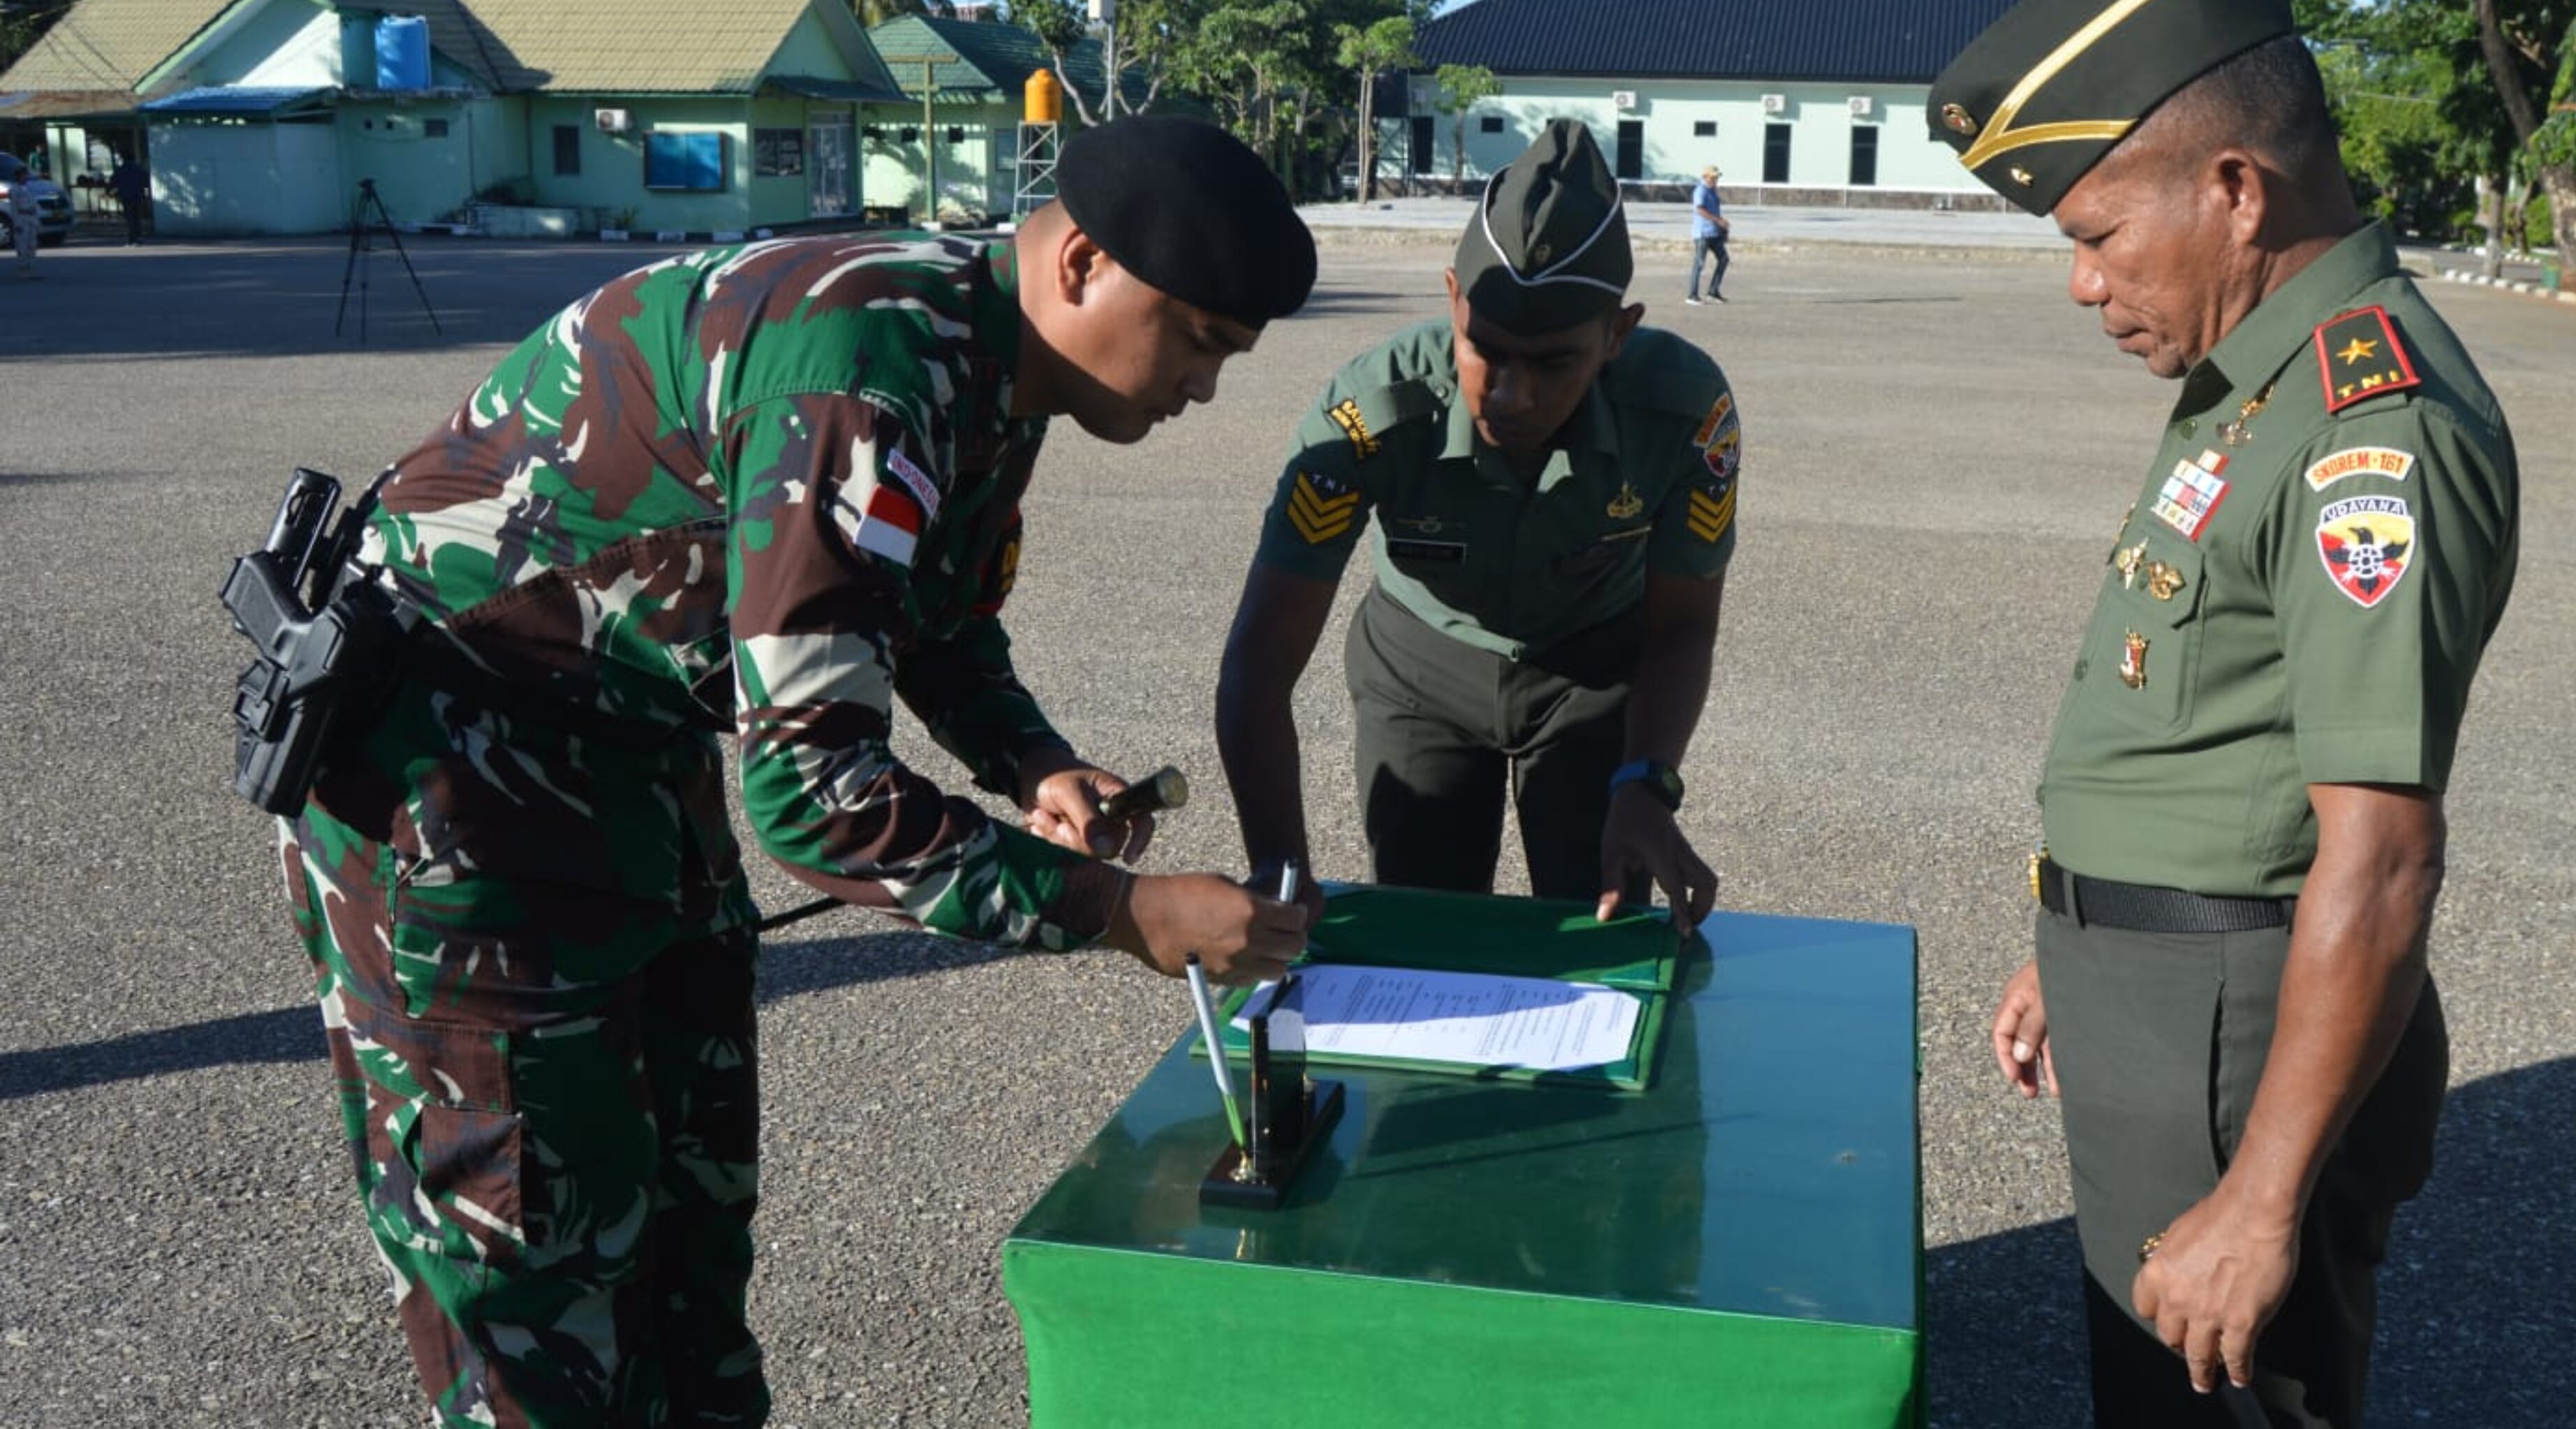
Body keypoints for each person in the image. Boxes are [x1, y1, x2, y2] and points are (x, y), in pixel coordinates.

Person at [269, 115, 1320, 1428]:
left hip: (625, 761)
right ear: (1083, 265)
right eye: (1200, 341)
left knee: (689, 1235)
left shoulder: (991, 357)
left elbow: (916, 604)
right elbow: (815, 797)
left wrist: (1033, 760)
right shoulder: (869, 370)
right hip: (456, 800)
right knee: (535, 1281)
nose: (1204, 390)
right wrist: (1125, 914)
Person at [1931, 0, 2522, 1429]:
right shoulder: (2249, 381)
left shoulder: (2362, 428)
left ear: (2238, 190)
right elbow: (2206, 728)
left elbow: (2381, 856)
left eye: (2099, 232)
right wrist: (2082, 936)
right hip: (2162, 1003)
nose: (2081, 279)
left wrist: (2258, 1208)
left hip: (2230, 1051)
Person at [1216, 119, 1732, 930]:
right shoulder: (1370, 412)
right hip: (1418, 674)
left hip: (1593, 680)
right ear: (1451, 302)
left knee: (1597, 936)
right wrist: (1279, 867)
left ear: (1615, 336)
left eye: (1555, 363)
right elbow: (1260, 656)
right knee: (1427, 935)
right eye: (1484, 349)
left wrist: (1646, 780)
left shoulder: (1681, 413)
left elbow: (1682, 627)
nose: (1510, 395)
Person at [1685, 164, 1729, 305]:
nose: (1716, 179)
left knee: (1724, 259)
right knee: (1699, 263)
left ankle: (1713, 292)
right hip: (1702, 233)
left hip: (1714, 233)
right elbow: (1700, 210)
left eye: (1717, 177)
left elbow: (1715, 211)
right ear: (1706, 176)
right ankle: (1692, 295)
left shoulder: (1713, 191)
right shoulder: (1701, 190)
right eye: (1713, 176)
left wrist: (1722, 228)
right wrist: (1718, 220)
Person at [110, 154, 151, 246]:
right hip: (138, 196)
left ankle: (132, 239)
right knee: (137, 218)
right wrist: (146, 195)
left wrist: (111, 191)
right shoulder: (140, 170)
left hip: (126, 197)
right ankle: (138, 237)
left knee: (130, 219)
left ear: (124, 159)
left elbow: (113, 182)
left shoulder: (120, 170)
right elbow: (146, 182)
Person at [6, 173, 38, 279]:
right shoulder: (14, 190)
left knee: (32, 245)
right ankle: (23, 270)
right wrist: (17, 223)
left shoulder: (28, 189)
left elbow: (34, 204)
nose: (26, 177)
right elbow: (14, 208)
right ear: (18, 177)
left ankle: (30, 269)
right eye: (23, 176)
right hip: (22, 218)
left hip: (31, 219)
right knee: (22, 246)